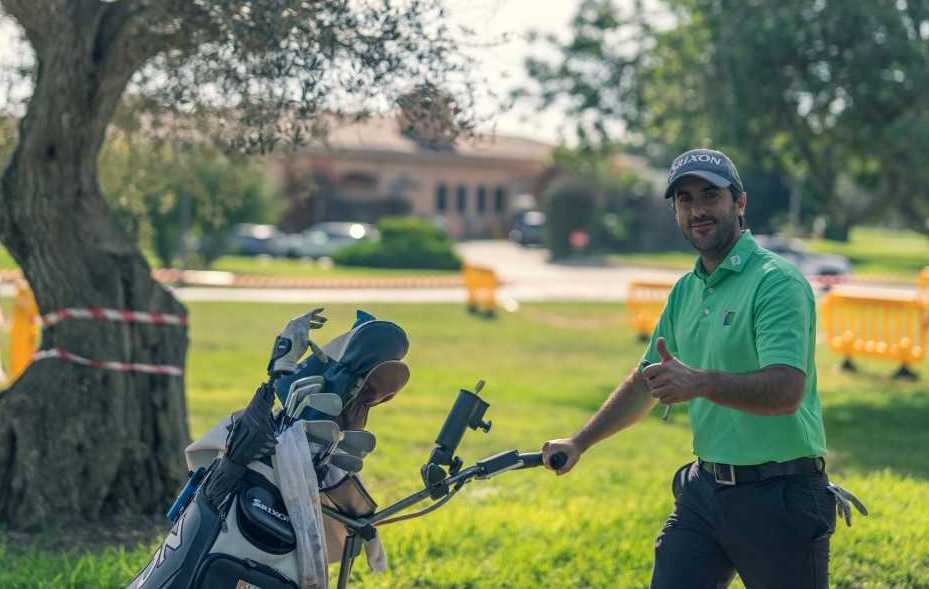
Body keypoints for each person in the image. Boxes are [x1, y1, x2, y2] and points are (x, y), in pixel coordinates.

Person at [542, 148, 857, 588]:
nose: (698, 210)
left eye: (710, 195)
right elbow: (644, 382)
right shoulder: (687, 291)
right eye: (685, 199)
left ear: (739, 202)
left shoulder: (776, 282)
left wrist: (700, 383)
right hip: (704, 493)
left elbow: (786, 391)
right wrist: (580, 442)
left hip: (780, 498)